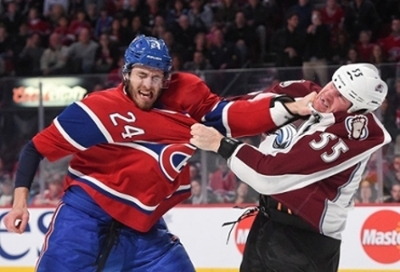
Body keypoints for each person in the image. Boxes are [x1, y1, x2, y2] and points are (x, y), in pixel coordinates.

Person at [3, 35, 314, 272]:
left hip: (144, 229)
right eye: (141, 75)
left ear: (166, 77)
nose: (148, 85)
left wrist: (290, 108)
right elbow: (35, 149)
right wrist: (19, 204)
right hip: (84, 219)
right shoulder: (98, 109)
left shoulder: (187, 96)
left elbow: (234, 116)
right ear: (126, 73)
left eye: (156, 77)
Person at [190, 63, 391, 272]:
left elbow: (268, 176)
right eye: (334, 83)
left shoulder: (355, 133)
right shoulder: (303, 92)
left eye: (341, 96)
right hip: (267, 221)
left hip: (305, 243)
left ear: (357, 110)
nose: (328, 93)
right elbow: (245, 107)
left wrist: (219, 143)